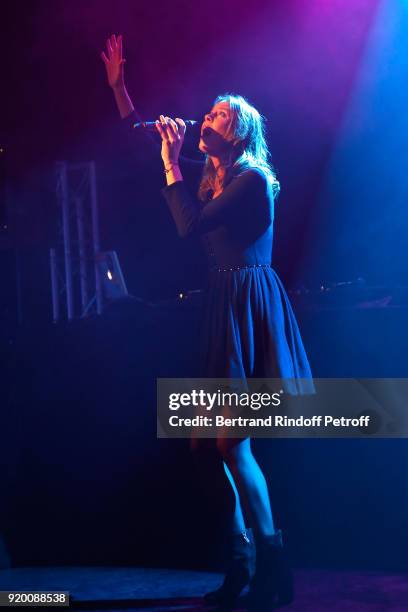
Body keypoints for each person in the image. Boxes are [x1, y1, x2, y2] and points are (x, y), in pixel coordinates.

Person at [102, 34, 313, 611]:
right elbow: (134, 136)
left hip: (249, 310)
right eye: (210, 109)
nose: (207, 116)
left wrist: (171, 164)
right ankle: (241, 556)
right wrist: (122, 89)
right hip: (222, 310)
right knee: (203, 444)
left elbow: (189, 226)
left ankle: (273, 565)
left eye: (221, 113)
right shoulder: (214, 169)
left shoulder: (249, 180)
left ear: (239, 130)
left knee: (230, 441)